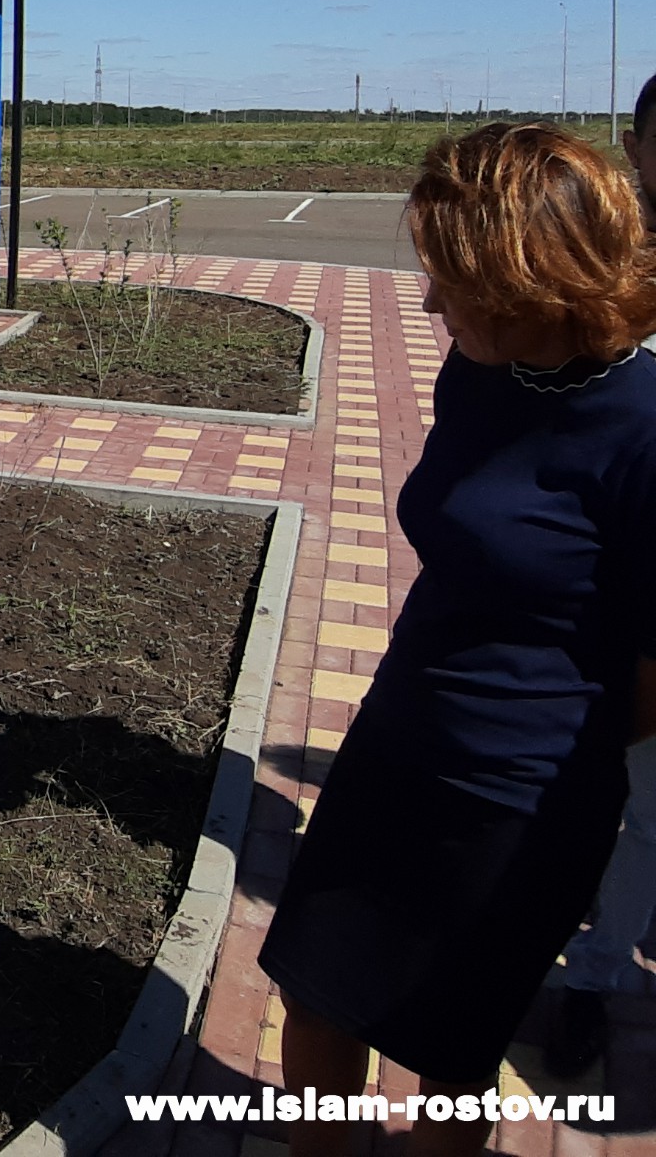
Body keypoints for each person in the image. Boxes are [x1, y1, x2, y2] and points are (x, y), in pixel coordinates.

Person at [260, 120, 656, 1154]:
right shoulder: (483, 375)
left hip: (522, 804)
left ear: (534, 282)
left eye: (454, 281)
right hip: (397, 742)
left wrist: (534, 738)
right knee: (315, 993)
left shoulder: (644, 432)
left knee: (450, 1048)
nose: (431, 304)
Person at [543, 77, 656, 1075]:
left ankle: (604, 958)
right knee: (630, 792)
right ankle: (594, 973)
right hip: (611, 576)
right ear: (636, 145)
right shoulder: (607, 261)